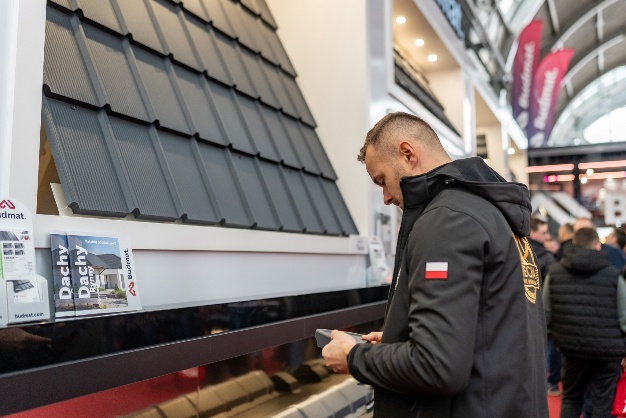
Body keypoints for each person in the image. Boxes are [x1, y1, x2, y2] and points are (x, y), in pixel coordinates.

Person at [321, 112, 548, 417]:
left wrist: (354, 357)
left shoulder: (448, 221)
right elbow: (487, 333)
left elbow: (437, 366)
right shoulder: (492, 215)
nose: (385, 197)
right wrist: (398, 339)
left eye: (383, 181)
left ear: (407, 153)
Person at [543, 227, 626, 418]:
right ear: (597, 246)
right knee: (602, 401)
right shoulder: (614, 275)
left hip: (571, 348)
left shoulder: (554, 273)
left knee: (571, 398)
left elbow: (545, 313)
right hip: (608, 351)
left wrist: (558, 338)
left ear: (574, 244)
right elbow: (624, 318)